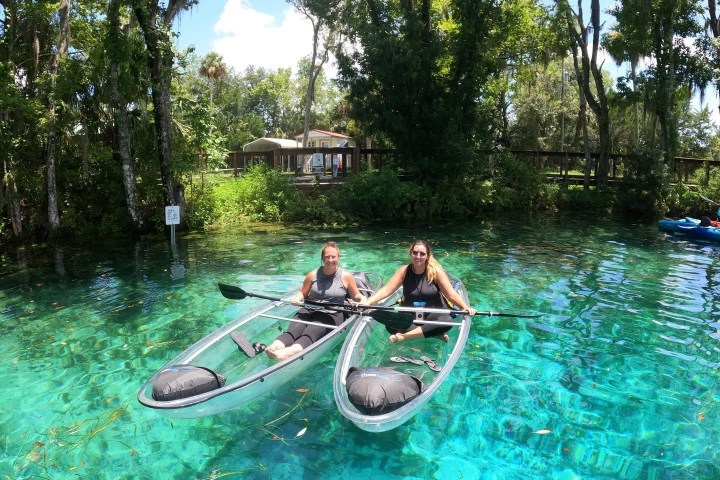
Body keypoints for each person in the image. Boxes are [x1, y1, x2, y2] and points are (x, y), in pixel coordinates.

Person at [265, 241, 366, 361]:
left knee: (310, 332)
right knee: (293, 330)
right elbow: (302, 292)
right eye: (327, 257)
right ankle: (274, 347)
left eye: (333, 257)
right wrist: (298, 298)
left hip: (331, 314)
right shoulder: (312, 275)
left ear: (338, 258)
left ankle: (286, 354)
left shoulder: (346, 276)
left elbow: (356, 296)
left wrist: (364, 300)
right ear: (322, 258)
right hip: (309, 309)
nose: (330, 260)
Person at [362, 240, 476, 343]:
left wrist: (465, 307)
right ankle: (433, 334)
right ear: (410, 253)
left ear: (427, 256)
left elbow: (450, 294)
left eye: (422, 254)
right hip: (411, 316)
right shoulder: (404, 270)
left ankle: (404, 337)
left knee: (447, 320)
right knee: (390, 325)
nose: (418, 256)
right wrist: (368, 302)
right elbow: (387, 289)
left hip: (433, 316)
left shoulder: (436, 272)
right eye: (415, 252)